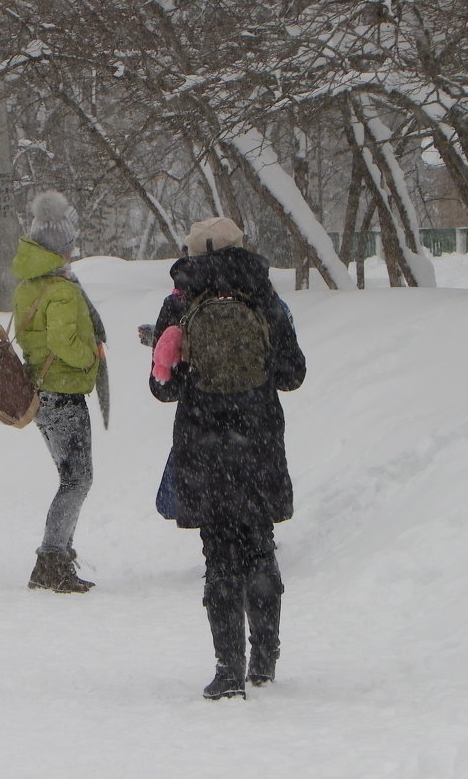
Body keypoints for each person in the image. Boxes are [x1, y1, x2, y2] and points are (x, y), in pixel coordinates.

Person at [149, 216, 306, 700]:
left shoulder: (179, 302)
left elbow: (164, 387)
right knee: (260, 546)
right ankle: (265, 658)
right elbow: (292, 375)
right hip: (257, 439)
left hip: (204, 443)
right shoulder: (266, 298)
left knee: (219, 557)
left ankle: (228, 671)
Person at [13, 189, 104, 593]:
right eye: (70, 244)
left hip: (40, 393)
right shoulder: (63, 290)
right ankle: (51, 560)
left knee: (70, 477)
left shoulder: (28, 286)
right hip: (64, 392)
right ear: (61, 247)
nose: (73, 251)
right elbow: (64, 341)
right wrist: (89, 359)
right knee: (76, 480)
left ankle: (58, 558)